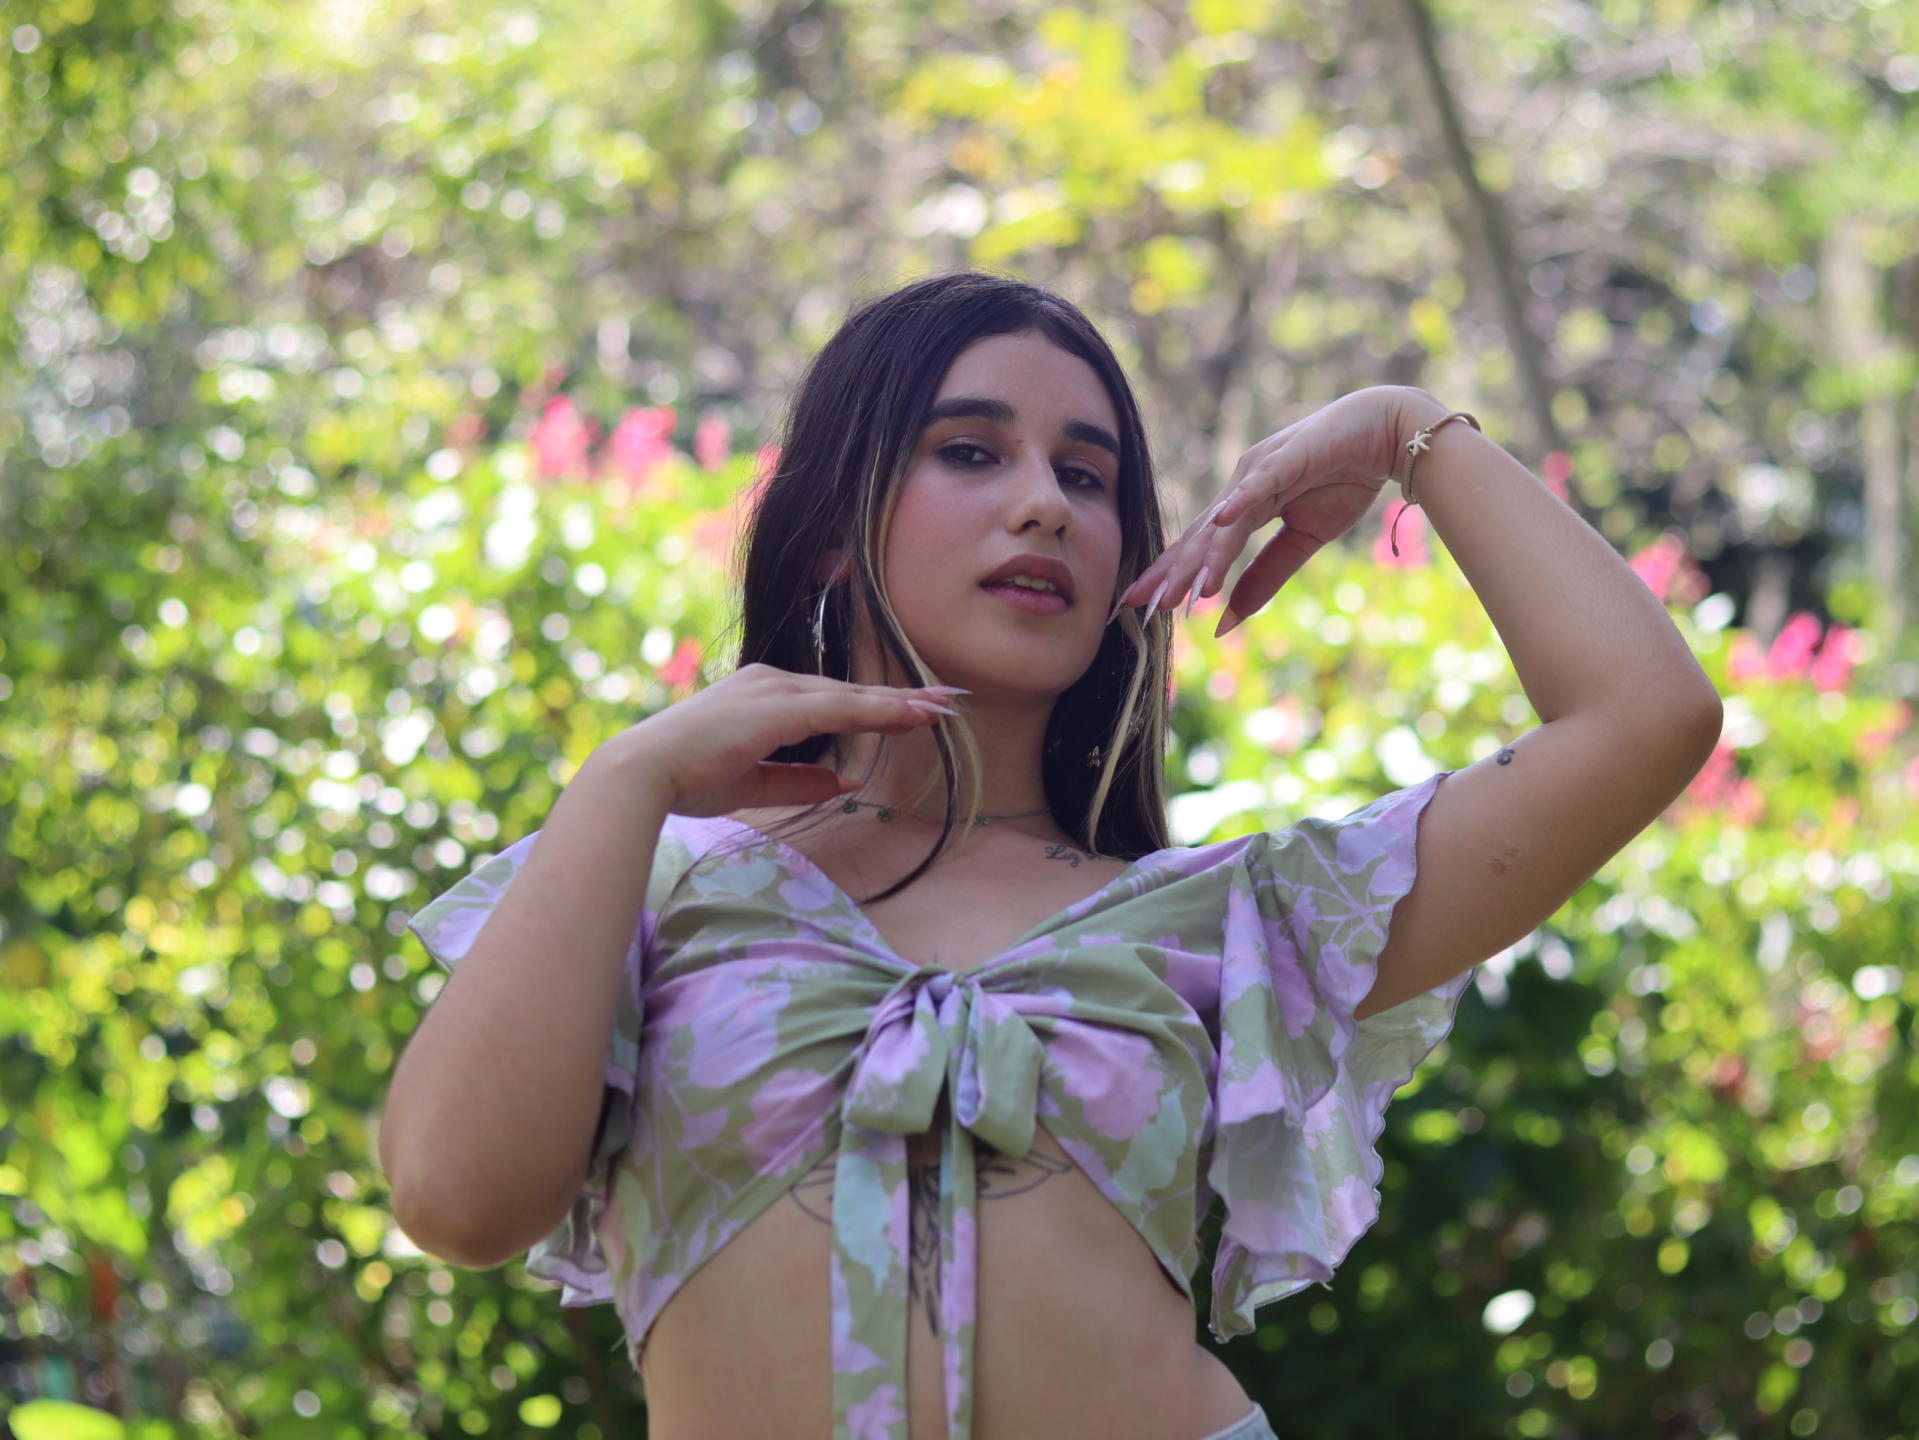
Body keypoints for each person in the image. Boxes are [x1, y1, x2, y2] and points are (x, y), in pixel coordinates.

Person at [378, 270, 1723, 1440]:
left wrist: (1403, 430)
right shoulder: (647, 872)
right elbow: (453, 1201)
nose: (1044, 505)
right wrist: (627, 779)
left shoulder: (1235, 923)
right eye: (971, 452)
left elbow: (1646, 718)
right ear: (834, 525)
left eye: (1088, 477)